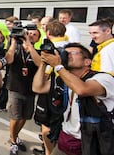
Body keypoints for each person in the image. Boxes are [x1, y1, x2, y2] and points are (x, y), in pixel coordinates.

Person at [36, 43, 114, 155]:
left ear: (87, 61)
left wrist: (58, 66)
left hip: (91, 144)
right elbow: (38, 87)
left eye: (71, 53)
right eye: (65, 53)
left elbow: (82, 89)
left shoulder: (104, 78)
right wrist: (44, 63)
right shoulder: (66, 80)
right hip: (65, 140)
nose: (66, 55)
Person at [32, 20, 69, 155]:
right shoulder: (71, 47)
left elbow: (44, 78)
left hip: (52, 91)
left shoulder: (51, 48)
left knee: (47, 127)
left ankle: (49, 152)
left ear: (47, 33)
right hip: (68, 91)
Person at [5, 28, 42, 155]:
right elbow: (8, 60)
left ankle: (15, 136)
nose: (30, 35)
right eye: (28, 33)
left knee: (25, 116)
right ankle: (13, 141)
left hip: (30, 90)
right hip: (15, 88)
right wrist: (14, 42)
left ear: (38, 38)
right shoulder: (15, 49)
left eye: (34, 35)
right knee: (15, 117)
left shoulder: (38, 51)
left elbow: (39, 63)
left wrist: (29, 45)